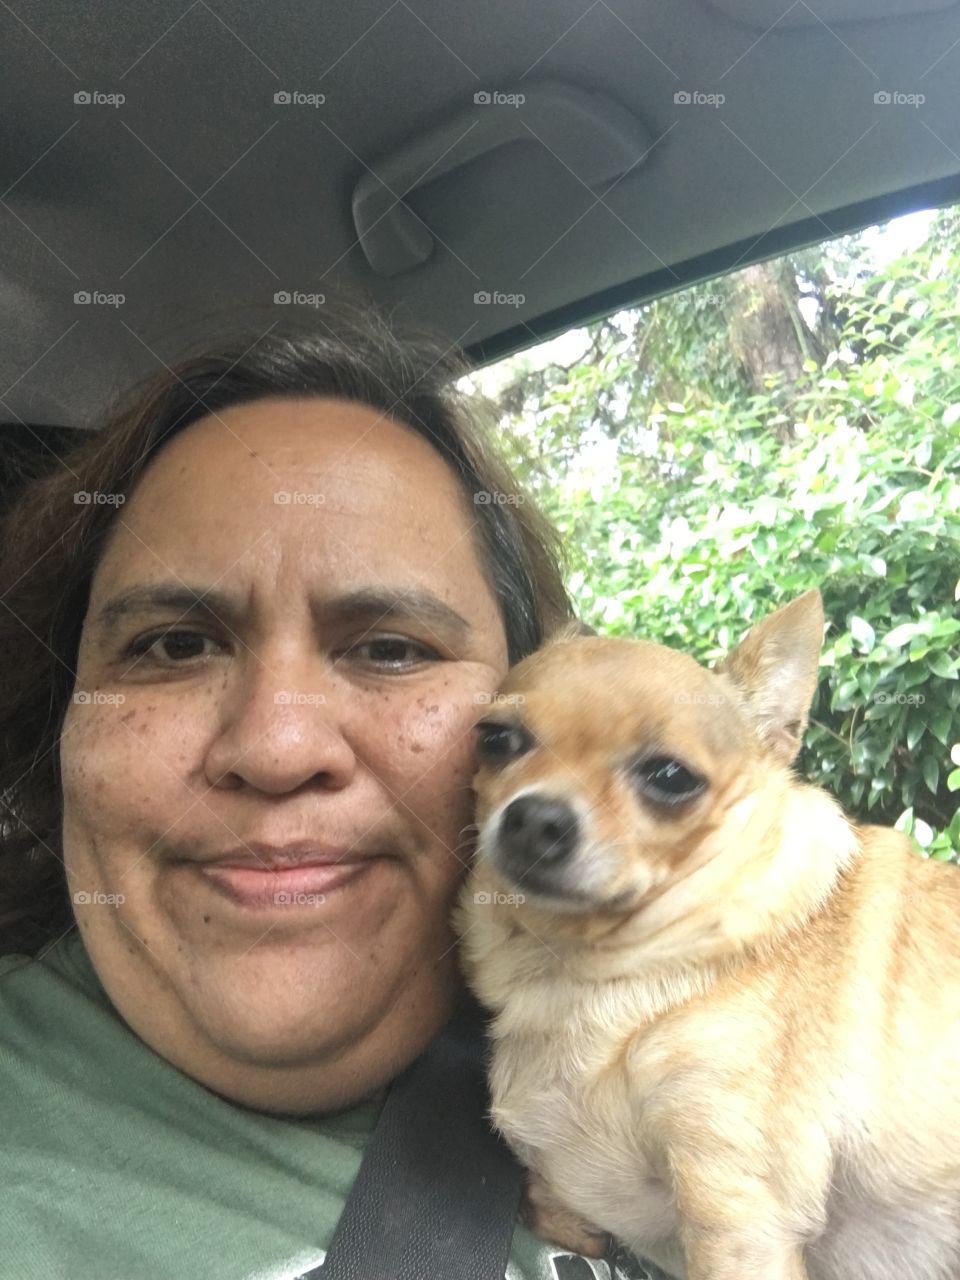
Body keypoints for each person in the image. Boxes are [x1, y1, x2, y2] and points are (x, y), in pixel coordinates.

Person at [0, 307, 668, 1280]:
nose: (276, 744)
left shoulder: (691, 1042)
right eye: (174, 645)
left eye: (392, 648)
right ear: (59, 732)